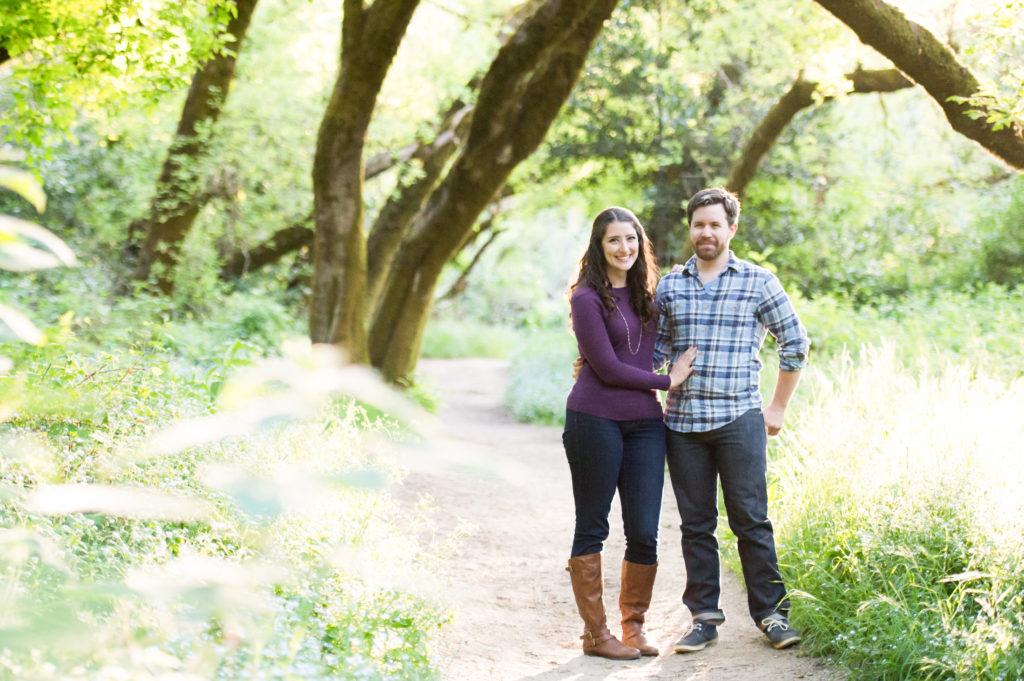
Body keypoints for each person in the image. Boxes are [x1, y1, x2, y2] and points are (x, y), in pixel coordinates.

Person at [653, 187, 810, 652]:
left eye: (715, 225)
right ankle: (704, 617)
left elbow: (795, 342)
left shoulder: (759, 281)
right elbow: (656, 352)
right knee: (696, 525)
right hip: (682, 425)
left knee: (751, 520)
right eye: (699, 224)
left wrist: (777, 406)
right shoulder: (669, 287)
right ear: (691, 229)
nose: (706, 232)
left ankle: (772, 616)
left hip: (739, 419)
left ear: (731, 229)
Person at [563, 206, 697, 660]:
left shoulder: (648, 295)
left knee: (644, 530)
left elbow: (653, 348)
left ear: (642, 245)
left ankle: (633, 627)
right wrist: (668, 381)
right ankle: (596, 636)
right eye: (614, 240)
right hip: (594, 419)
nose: (624, 248)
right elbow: (607, 367)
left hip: (645, 424)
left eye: (632, 239)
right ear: (599, 248)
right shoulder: (586, 299)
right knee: (593, 526)